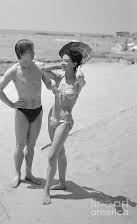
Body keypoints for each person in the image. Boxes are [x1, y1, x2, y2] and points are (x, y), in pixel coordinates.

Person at [0, 39, 55, 188]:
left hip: (37, 111)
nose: (34, 53)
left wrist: (54, 85)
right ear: (21, 54)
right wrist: (12, 104)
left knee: (31, 145)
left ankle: (29, 173)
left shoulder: (39, 66)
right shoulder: (14, 70)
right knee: (20, 145)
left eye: (33, 50)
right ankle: (17, 174)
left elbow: (48, 85)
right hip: (22, 112)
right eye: (30, 52)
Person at [41, 48, 86, 205]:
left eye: (67, 61)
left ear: (74, 63)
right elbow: (42, 69)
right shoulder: (59, 78)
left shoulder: (78, 83)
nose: (63, 63)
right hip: (51, 118)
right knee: (60, 152)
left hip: (64, 121)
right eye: (63, 60)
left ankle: (46, 190)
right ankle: (62, 182)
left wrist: (77, 67)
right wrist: (60, 65)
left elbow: (81, 76)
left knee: (52, 155)